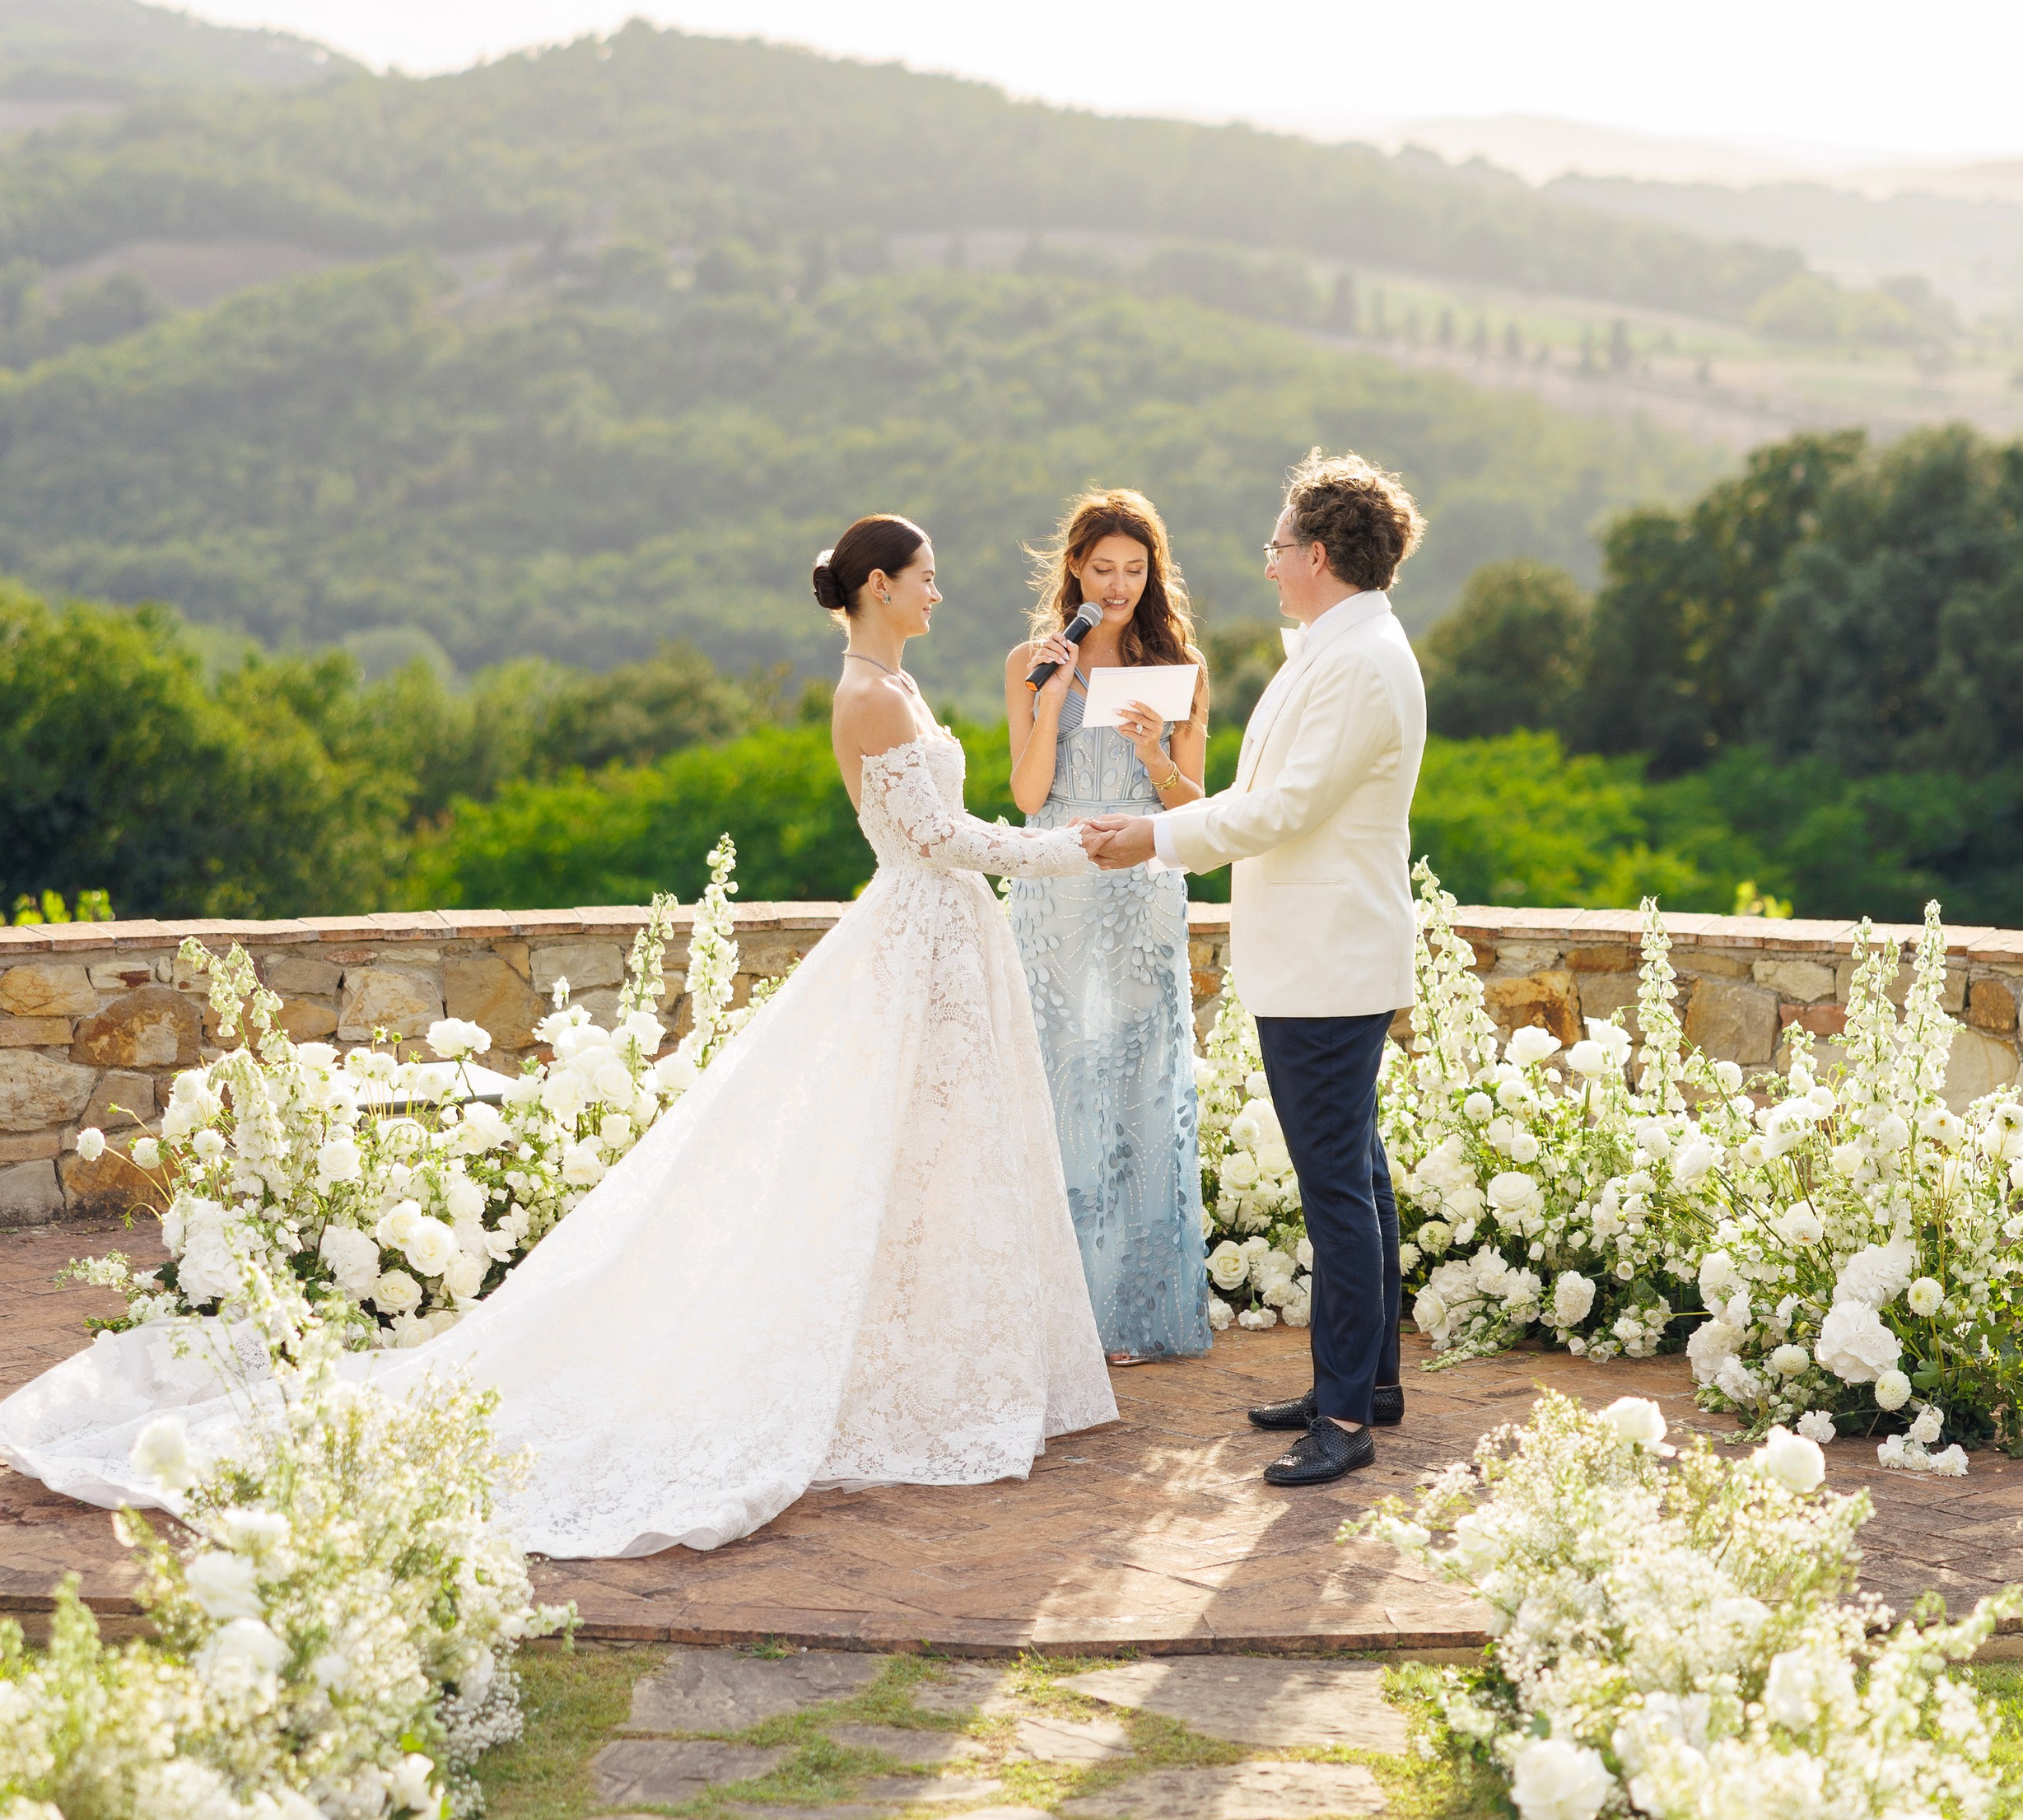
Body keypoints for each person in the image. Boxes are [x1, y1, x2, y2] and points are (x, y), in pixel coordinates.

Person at [0, 516, 1116, 1557]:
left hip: (945, 948)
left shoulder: (903, 682)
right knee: (870, 1158)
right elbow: (943, 843)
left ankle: (929, 1370)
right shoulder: (867, 697)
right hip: (919, 935)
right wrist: (1082, 849)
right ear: (880, 586)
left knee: (936, 1160)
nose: (939, 591)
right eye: (926, 577)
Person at [1080, 451, 1425, 1489]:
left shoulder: (1359, 661)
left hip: (1328, 961)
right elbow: (1265, 795)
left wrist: (1151, 837)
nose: (1267, 562)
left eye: (1278, 545)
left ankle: (1343, 1419)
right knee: (1356, 1172)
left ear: (1316, 554)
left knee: (1337, 1194)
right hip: (1322, 953)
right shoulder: (1339, 647)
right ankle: (1366, 1386)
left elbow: (1282, 811)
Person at [1003, 489, 1213, 1365]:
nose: (1119, 584)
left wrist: (1153, 751)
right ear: (1075, 571)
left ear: (1152, 574)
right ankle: (1054, 1309)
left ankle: (1127, 1311)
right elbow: (1023, 796)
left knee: (1136, 1075)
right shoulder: (1030, 658)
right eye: (1103, 569)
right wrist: (1047, 707)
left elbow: (1197, 809)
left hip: (1139, 884)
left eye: (1135, 569)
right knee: (1055, 1074)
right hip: (1055, 883)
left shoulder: (1182, 665)